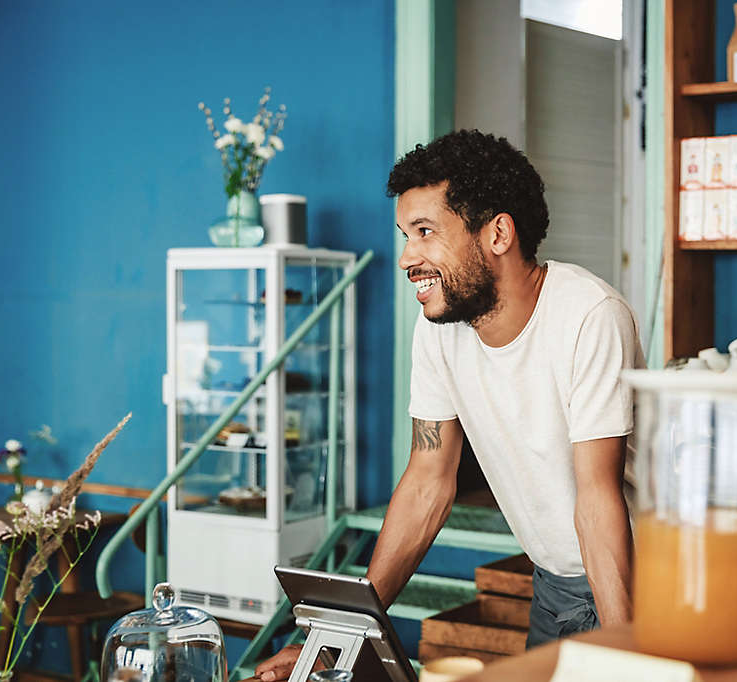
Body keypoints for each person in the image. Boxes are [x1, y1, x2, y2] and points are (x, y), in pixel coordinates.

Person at [255, 130, 644, 681]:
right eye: (404, 236)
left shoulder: (589, 315)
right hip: (553, 584)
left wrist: (629, 650)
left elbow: (597, 497)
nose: (406, 258)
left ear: (498, 233)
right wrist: (336, 640)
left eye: (424, 233)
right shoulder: (440, 330)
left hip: (631, 581)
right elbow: (427, 481)